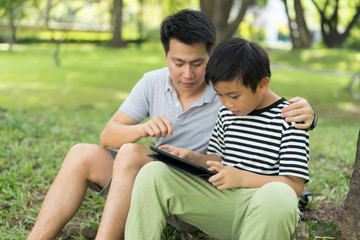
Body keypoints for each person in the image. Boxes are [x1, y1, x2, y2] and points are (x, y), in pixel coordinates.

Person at [27, 10, 315, 240]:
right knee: (96, 155)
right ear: (166, 57)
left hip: (237, 195)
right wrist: (156, 137)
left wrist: (309, 115)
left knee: (131, 154)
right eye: (178, 63)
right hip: (188, 188)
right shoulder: (215, 99)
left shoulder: (227, 89)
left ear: (211, 57)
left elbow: (265, 98)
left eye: (197, 63)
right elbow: (108, 135)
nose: (187, 73)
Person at [124, 37, 310, 240]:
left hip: (264, 210)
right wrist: (193, 157)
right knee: (154, 171)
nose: (227, 103)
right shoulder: (227, 113)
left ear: (262, 84)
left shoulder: (292, 118)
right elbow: (218, 159)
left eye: (234, 96)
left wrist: (241, 178)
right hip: (223, 205)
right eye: (220, 95)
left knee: (279, 195)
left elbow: (295, 186)